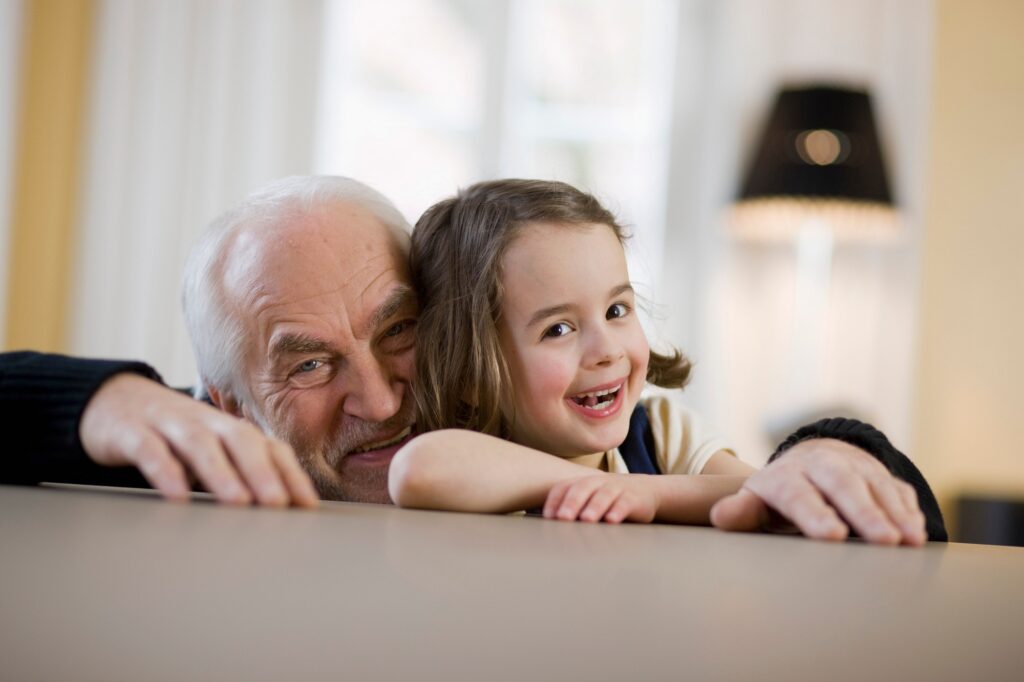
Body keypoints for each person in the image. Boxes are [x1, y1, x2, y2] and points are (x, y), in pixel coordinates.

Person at [0, 175, 946, 543]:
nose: (378, 396)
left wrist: (832, 447)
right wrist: (99, 399)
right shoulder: (200, 453)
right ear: (227, 407)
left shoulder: (550, 420)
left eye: (399, 329)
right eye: (310, 366)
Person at [389, 179, 943, 544]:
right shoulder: (463, 450)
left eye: (617, 308)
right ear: (472, 375)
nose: (606, 348)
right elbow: (422, 470)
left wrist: (639, 491)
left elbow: (768, 495)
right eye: (558, 328)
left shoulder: (658, 432)